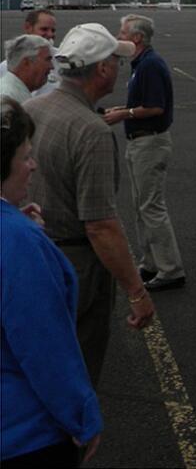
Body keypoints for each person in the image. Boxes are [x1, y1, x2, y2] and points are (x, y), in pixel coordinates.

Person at [25, 23, 154, 387]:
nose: (120, 67)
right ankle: (75, 436)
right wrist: (136, 291)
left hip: (36, 249)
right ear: (101, 69)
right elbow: (100, 224)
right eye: (115, 60)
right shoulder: (91, 130)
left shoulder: (32, 109)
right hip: (76, 265)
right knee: (77, 364)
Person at [1, 99, 104, 468]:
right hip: (22, 436)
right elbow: (43, 344)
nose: (33, 165)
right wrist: (81, 416)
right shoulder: (19, 244)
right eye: (25, 156)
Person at [99, 15, 184, 292]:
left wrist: (124, 113)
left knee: (151, 207)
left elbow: (156, 107)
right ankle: (151, 263)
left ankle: (170, 270)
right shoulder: (142, 64)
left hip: (151, 143)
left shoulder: (150, 65)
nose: (118, 35)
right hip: (140, 142)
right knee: (140, 206)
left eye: (122, 32)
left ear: (136, 38)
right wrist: (123, 110)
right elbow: (144, 103)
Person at [0, 10, 59, 99]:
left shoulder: (62, 61)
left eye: (53, 30)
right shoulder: (5, 67)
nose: (50, 34)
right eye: (44, 29)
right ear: (28, 27)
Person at [1, 36, 54, 105]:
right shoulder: (7, 96)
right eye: (47, 59)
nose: (52, 66)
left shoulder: (13, 93)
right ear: (26, 63)